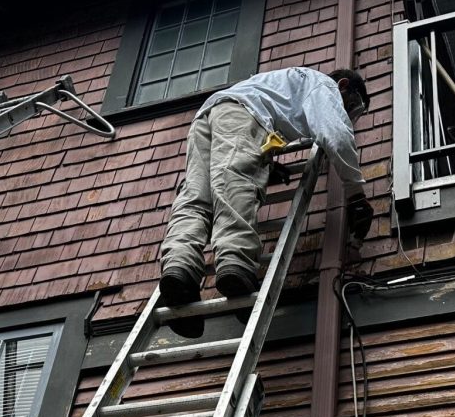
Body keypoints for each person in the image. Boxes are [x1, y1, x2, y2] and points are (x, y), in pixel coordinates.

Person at [158, 66, 373, 337]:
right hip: (242, 113)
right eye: (352, 107)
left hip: (208, 115)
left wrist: (268, 165)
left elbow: (252, 125)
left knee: (196, 198)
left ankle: (179, 269)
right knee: (235, 183)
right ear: (343, 86)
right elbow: (336, 135)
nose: (349, 115)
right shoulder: (323, 85)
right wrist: (356, 195)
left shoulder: (285, 83)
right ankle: (235, 264)